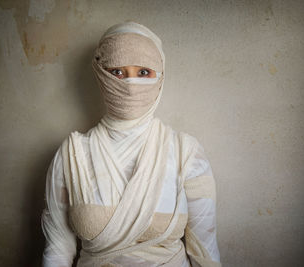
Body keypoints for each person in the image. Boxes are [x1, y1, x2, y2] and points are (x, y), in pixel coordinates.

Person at [41, 21, 221, 267]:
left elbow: (205, 254)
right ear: (100, 74)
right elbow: (58, 250)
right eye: (117, 72)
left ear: (160, 76)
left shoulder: (185, 152)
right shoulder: (73, 155)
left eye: (143, 72)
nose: (130, 84)